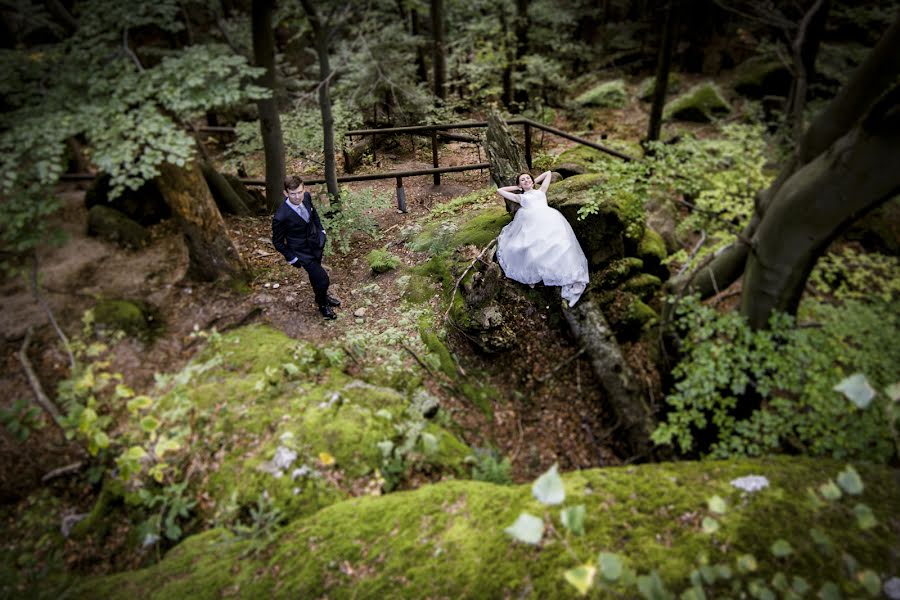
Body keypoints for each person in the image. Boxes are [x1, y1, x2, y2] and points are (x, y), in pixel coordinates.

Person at [495, 171, 589, 306]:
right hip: (531, 226)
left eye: (528, 178)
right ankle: (533, 275)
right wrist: (518, 188)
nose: (526, 180)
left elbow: (548, 173)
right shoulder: (520, 197)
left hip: (550, 220)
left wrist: (532, 181)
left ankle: (567, 277)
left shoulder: (541, 191)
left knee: (559, 245)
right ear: (519, 184)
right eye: (522, 180)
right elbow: (500, 190)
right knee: (532, 248)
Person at [272, 176, 341, 319]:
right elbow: (277, 241)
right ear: (286, 193)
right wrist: (291, 258)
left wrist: (321, 230)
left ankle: (320, 297)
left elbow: (313, 214)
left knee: (315, 277)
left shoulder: (307, 197)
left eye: (300, 192)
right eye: (293, 194)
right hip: (302, 252)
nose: (297, 197)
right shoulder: (280, 216)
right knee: (323, 280)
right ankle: (323, 305)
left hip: (316, 243)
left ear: (304, 189)